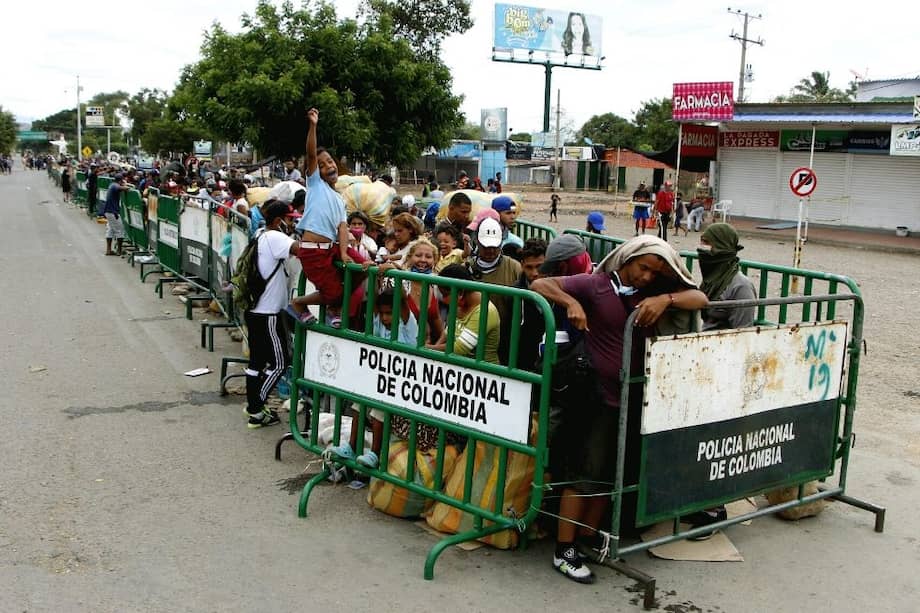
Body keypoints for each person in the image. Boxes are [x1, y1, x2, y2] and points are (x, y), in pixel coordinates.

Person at [531, 235, 707, 584]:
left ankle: (589, 536)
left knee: (610, 473)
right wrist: (571, 303)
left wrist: (664, 298)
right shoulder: (596, 285)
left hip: (632, 395)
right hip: (596, 394)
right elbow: (540, 282)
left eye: (654, 273)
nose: (645, 277)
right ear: (627, 259)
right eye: (643, 268)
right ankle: (564, 549)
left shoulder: (649, 294)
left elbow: (700, 297)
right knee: (584, 473)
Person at [288, 108, 367, 327]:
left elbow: (343, 227)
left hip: (332, 248)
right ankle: (299, 303)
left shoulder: (339, 197)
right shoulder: (315, 185)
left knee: (362, 267)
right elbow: (311, 154)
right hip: (314, 252)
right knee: (333, 292)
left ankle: (335, 304)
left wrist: (343, 252)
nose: (328, 166)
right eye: (322, 165)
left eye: (330, 161)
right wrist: (313, 126)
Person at [327, 285, 418, 466]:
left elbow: (403, 300)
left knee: (378, 410)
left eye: (389, 313)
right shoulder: (378, 321)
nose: (385, 317)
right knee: (358, 404)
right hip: (380, 379)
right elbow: (375, 299)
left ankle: (375, 454)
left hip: (402, 383)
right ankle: (352, 447)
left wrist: (392, 269)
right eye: (382, 313)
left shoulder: (408, 323)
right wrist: (375, 273)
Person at [243, 200, 300, 429]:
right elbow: (301, 250)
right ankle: (256, 407)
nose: (293, 223)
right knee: (279, 363)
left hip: (256, 311)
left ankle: (253, 407)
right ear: (278, 221)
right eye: (290, 219)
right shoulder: (275, 237)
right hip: (268, 315)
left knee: (256, 362)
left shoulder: (260, 235)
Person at [466, 217, 521, 365]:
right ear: (477, 242)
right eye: (486, 246)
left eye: (494, 247)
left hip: (506, 336)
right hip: (473, 336)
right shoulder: (467, 268)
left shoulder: (514, 267)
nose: (490, 251)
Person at [427, 264, 500, 363]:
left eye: (445, 295)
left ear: (460, 292)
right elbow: (448, 332)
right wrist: (434, 347)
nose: (443, 300)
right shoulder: (459, 304)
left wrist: (426, 349)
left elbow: (458, 349)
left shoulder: (485, 311)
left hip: (483, 373)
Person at [698, 223, 756, 331]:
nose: (701, 248)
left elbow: (743, 332)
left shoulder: (741, 287)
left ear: (722, 246)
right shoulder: (712, 281)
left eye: (706, 243)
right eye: (701, 242)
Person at [102, 173, 131, 256]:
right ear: (121, 180)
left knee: (110, 230)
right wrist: (126, 186)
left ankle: (108, 250)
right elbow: (124, 188)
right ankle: (119, 250)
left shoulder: (112, 185)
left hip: (108, 211)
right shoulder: (115, 186)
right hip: (113, 212)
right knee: (120, 230)